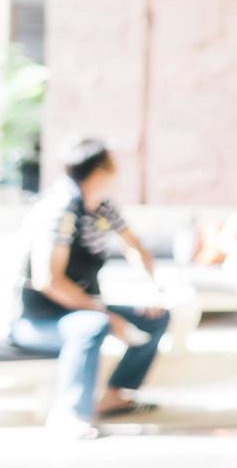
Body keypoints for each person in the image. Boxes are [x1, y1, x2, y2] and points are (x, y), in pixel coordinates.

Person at [9, 139, 171, 439]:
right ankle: (69, 415)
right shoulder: (60, 208)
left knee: (155, 317)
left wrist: (152, 289)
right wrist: (106, 315)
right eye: (113, 162)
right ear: (99, 170)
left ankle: (114, 395)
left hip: (79, 309)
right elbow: (48, 280)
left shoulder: (101, 207)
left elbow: (135, 247)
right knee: (91, 325)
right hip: (38, 320)